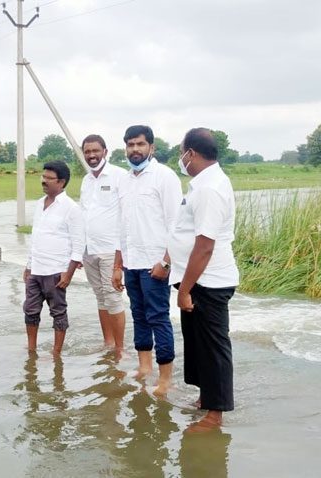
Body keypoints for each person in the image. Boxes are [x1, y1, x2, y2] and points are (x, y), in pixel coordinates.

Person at [169, 128, 239, 429]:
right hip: (195, 280)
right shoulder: (201, 185)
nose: (181, 158)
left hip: (208, 282)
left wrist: (185, 290)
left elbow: (205, 244)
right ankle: (205, 398)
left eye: (182, 152)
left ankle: (215, 412)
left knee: (213, 346)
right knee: (197, 344)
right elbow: (185, 233)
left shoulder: (210, 189)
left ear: (191, 154)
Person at [112, 125, 182, 396]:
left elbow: (176, 225)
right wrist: (118, 265)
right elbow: (122, 226)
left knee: (158, 317)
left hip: (155, 264)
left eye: (140, 144)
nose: (135, 150)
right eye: (130, 145)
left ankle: (166, 380)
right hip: (132, 261)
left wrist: (165, 262)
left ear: (151, 148)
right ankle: (144, 368)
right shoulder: (125, 180)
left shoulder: (165, 177)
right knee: (139, 316)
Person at [23, 160, 85, 357]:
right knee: (30, 311)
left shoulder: (71, 208)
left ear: (62, 182)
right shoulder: (39, 204)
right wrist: (29, 265)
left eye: (49, 178)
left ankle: (56, 353)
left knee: (58, 313)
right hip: (36, 270)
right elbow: (36, 237)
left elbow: (78, 244)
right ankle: (31, 349)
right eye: (43, 177)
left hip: (56, 272)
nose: (44, 181)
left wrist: (68, 274)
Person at [79, 134, 128, 355]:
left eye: (95, 151)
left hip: (111, 249)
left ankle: (120, 349)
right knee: (100, 296)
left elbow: (126, 215)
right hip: (89, 249)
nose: (91, 155)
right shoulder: (86, 180)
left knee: (113, 297)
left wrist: (120, 258)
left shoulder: (119, 176)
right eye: (87, 152)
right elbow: (83, 214)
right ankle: (107, 343)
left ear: (105, 152)